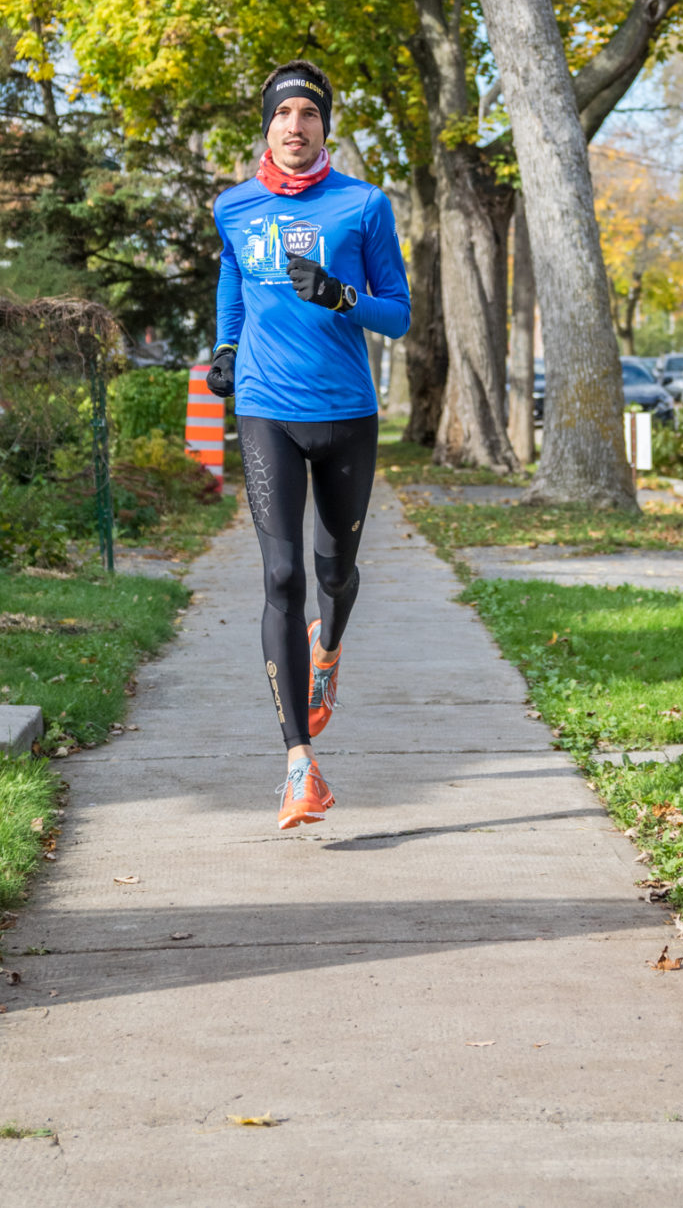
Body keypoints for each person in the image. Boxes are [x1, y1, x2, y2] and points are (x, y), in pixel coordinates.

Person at [207, 60, 411, 829]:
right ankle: (300, 765)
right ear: (267, 125)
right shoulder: (234, 206)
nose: (295, 126)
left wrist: (342, 296)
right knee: (282, 575)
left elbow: (399, 314)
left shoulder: (363, 205)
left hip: (347, 413)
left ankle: (328, 652)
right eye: (283, 113)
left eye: (309, 114)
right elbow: (232, 281)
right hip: (267, 409)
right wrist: (226, 348)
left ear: (325, 127)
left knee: (335, 572)